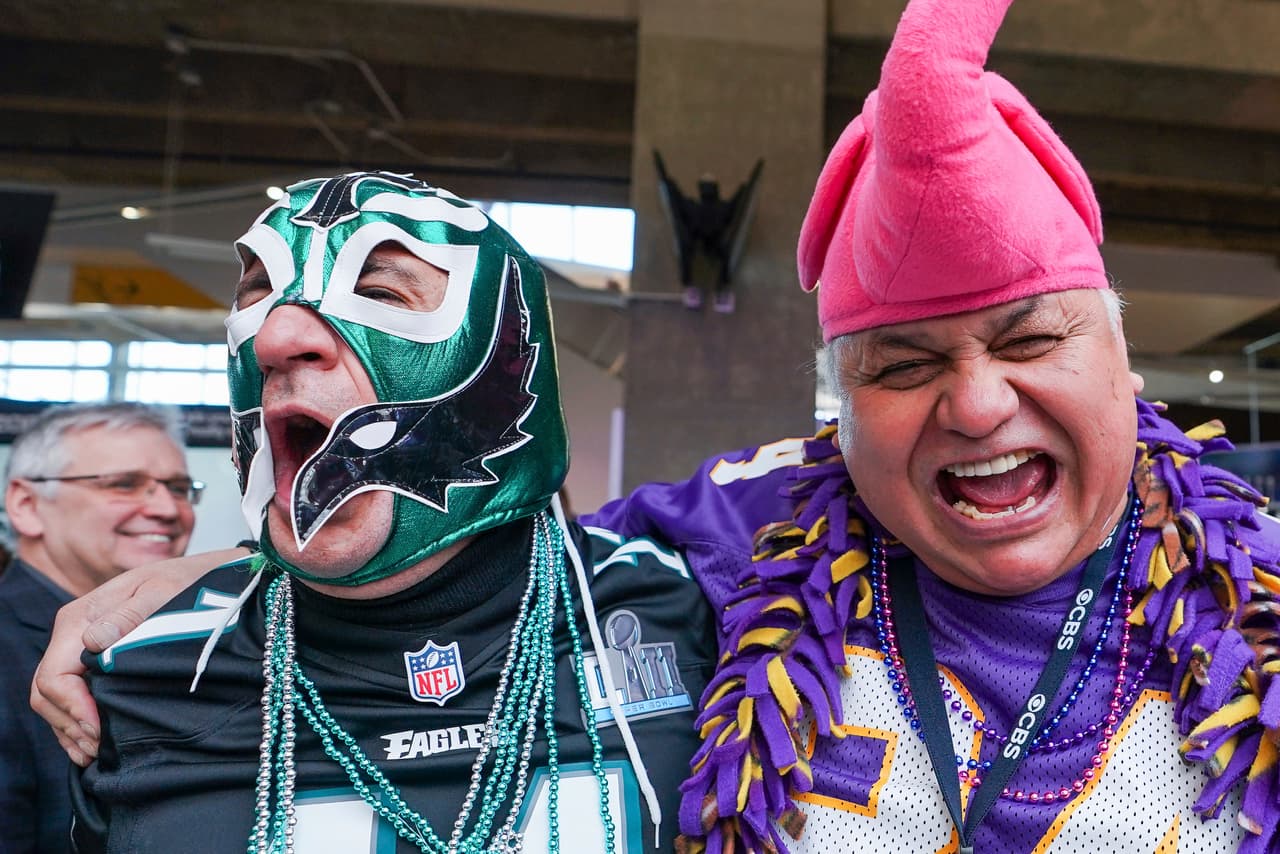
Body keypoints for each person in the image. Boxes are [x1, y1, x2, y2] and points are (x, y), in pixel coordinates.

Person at [33, 1, 1280, 851]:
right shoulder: (749, 527)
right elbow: (469, 539)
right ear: (840, 404)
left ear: (1120, 356)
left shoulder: (1265, 535)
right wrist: (222, 560)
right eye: (901, 363)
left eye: (1028, 340)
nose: (973, 402)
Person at [51, 170, 720, 854]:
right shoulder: (143, 673)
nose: (277, 336)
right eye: (258, 293)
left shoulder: (690, 608)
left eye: (377, 291)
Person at [1, 401, 198, 854]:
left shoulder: (186, 638)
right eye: (124, 484)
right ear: (27, 505)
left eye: (180, 487)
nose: (168, 509)